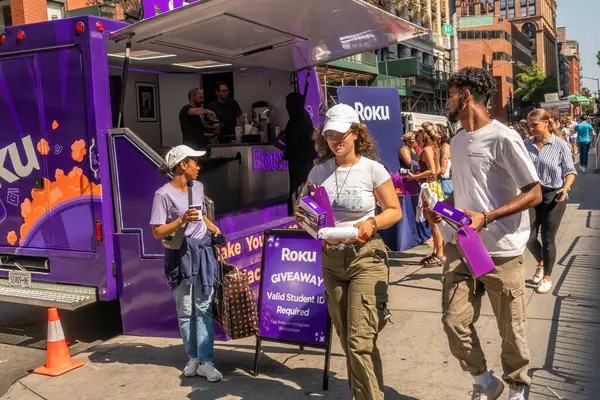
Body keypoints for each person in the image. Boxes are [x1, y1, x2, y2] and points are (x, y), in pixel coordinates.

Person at [433, 67, 542, 400]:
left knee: (510, 328)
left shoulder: (503, 137)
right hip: (462, 245)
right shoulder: (457, 139)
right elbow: (465, 192)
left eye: (450, 94)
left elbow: (534, 191)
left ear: (465, 96)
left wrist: (488, 217)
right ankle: (484, 380)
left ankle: (518, 386)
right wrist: (442, 208)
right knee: (454, 321)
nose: (447, 101)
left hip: (501, 248)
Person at [300, 104, 402, 400]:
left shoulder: (372, 169)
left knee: (360, 339)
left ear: (356, 134)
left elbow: (393, 211)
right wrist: (303, 214)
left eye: (340, 134)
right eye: (329, 135)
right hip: (332, 259)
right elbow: (308, 207)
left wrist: (371, 222)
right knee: (349, 339)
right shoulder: (319, 171)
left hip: (366, 258)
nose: (335, 140)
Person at [150, 145, 223, 382]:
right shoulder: (163, 195)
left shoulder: (198, 187)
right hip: (179, 255)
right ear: (183, 165)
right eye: (195, 162)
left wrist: (214, 228)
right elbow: (157, 232)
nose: (198, 167)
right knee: (185, 310)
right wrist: (181, 220)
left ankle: (206, 361)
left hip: (202, 252)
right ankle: (192, 357)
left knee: (204, 308)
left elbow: (200, 214)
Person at [525, 109, 577, 295]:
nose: (531, 129)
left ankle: (547, 276)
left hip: (554, 195)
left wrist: (566, 187)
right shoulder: (525, 145)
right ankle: (541, 262)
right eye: (529, 126)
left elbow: (570, 171)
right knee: (528, 237)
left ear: (546, 123)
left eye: (535, 125)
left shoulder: (560, 145)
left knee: (547, 237)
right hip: (531, 195)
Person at [405, 126, 445, 267]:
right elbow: (439, 169)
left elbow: (433, 171)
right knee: (432, 220)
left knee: (434, 221)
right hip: (431, 186)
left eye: (420, 134)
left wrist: (416, 176)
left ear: (425, 135)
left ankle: (440, 254)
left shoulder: (428, 149)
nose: (417, 137)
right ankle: (437, 251)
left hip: (429, 188)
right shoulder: (433, 149)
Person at [282, 92, 315, 214]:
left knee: (297, 187)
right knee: (304, 186)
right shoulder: (304, 115)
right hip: (307, 157)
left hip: (298, 159)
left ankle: (296, 212)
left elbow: (293, 141)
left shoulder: (295, 119)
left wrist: (285, 156)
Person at [437, 124, 453, 199]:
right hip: (442, 180)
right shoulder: (441, 147)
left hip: (444, 182)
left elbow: (443, 170)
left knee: (445, 209)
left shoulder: (445, 147)